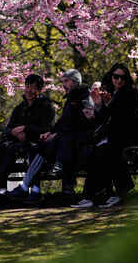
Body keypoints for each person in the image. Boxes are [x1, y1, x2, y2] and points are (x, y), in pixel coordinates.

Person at [75, 63, 138, 209]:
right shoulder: (113, 93)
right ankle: (96, 195)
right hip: (115, 136)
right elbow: (103, 118)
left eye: (122, 78)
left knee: (104, 151)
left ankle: (114, 192)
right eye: (116, 77)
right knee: (96, 152)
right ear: (111, 77)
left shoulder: (129, 92)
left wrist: (105, 104)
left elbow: (121, 117)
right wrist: (99, 105)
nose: (119, 80)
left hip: (126, 137)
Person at [20, 69, 93, 197]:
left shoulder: (84, 96)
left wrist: (57, 134)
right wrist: (50, 133)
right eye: (62, 81)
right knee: (39, 147)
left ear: (75, 81)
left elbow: (84, 120)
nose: (64, 84)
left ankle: (27, 185)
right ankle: (32, 188)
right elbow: (63, 121)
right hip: (67, 138)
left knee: (52, 146)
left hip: (80, 139)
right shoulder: (71, 98)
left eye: (66, 81)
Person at [0, 74, 54, 196]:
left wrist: (26, 129)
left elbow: (47, 128)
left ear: (39, 90)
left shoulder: (46, 106)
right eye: (27, 87)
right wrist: (13, 132)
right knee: (0, 149)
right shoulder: (20, 108)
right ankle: (0, 187)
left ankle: (29, 190)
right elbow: (8, 129)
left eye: (33, 88)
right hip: (17, 142)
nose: (29, 91)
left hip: (34, 143)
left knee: (12, 150)